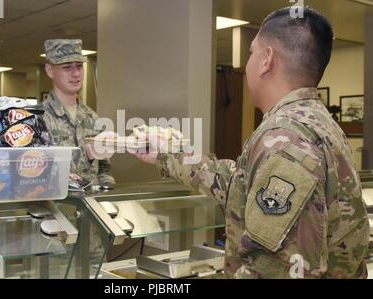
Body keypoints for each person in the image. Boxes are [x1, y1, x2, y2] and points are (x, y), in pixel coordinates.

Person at [132, 7, 370, 278]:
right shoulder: (316, 122)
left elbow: (274, 269)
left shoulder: (284, 143)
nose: (247, 65)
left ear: (267, 60)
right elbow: (239, 185)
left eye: (251, 53)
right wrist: (167, 154)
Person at [43, 39, 115, 188]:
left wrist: (106, 192)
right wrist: (87, 156)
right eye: (67, 67)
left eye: (79, 66)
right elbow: (37, 173)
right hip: (56, 205)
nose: (76, 74)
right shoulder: (39, 119)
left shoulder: (92, 117)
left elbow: (104, 169)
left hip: (89, 206)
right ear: (50, 70)